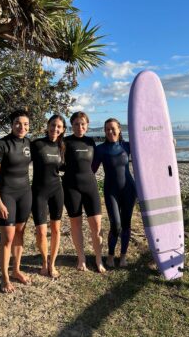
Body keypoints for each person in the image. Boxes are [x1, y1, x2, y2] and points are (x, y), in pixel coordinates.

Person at [0, 110, 32, 293]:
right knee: (7, 237)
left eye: (25, 124)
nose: (22, 127)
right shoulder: (1, 144)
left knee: (20, 234)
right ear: (11, 124)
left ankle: (16, 270)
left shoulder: (28, 143)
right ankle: (4, 277)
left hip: (25, 193)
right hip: (6, 194)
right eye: (18, 123)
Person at [62, 111, 106, 273]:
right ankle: (81, 258)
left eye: (83, 124)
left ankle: (98, 259)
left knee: (96, 225)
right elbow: (58, 162)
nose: (80, 127)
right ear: (71, 126)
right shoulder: (65, 142)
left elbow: (94, 164)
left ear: (87, 125)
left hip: (90, 186)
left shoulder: (90, 142)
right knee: (76, 224)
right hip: (71, 187)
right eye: (76, 124)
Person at [92, 118, 136, 267]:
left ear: (119, 130)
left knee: (126, 224)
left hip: (129, 189)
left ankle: (123, 255)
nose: (110, 131)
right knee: (115, 225)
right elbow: (91, 170)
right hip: (111, 191)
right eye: (107, 129)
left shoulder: (128, 146)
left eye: (113, 128)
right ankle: (110, 255)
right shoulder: (100, 149)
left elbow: (148, 148)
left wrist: (168, 142)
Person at [31, 115, 66, 278]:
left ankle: (52, 264)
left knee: (56, 230)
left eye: (59, 126)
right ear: (48, 126)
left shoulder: (62, 147)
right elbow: (20, 160)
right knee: (41, 231)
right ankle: (44, 262)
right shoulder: (37, 144)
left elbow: (68, 167)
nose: (55, 129)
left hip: (56, 191)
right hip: (39, 192)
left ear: (63, 130)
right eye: (53, 125)